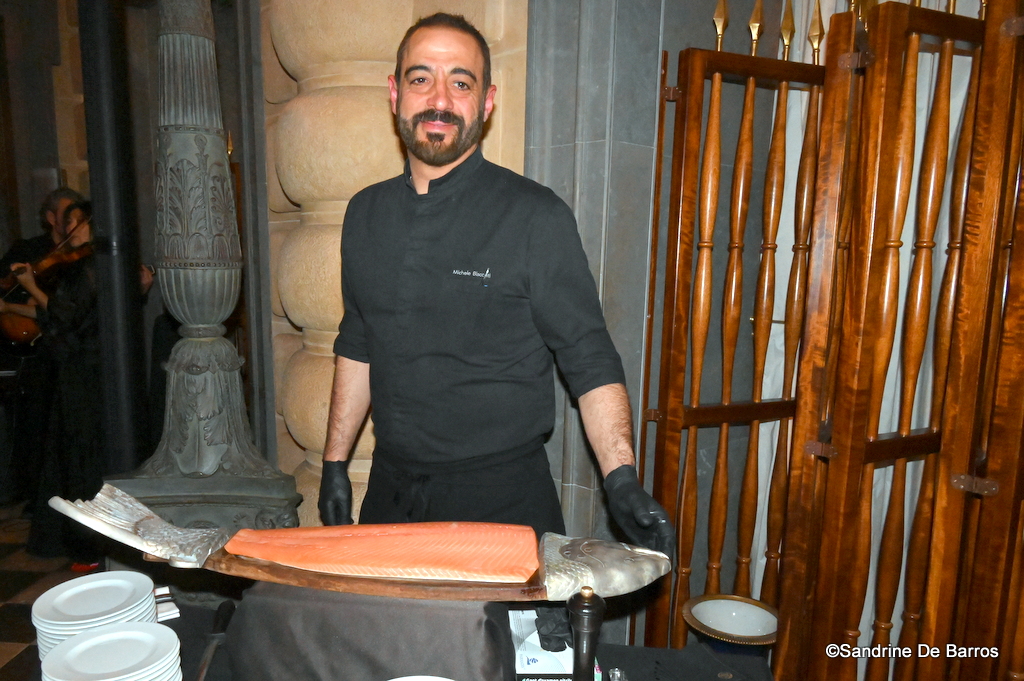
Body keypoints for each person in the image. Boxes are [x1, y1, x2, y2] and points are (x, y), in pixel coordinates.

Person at [318, 13, 674, 557]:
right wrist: (334, 463)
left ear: (486, 102)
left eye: (461, 83)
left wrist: (621, 478)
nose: (439, 99)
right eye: (421, 78)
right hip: (389, 500)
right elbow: (358, 342)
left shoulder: (535, 216)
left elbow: (589, 357)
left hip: (502, 504)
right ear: (395, 94)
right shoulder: (364, 213)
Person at [2, 201, 152, 565]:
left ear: (87, 227)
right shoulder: (107, 264)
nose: (69, 234)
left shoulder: (89, 267)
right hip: (100, 367)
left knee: (81, 453)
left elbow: (62, 316)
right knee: (85, 450)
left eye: (74, 224)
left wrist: (30, 285)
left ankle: (89, 545)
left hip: (84, 371)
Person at [0, 188, 83, 510]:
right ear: (50, 218)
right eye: (67, 216)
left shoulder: (79, 260)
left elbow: (64, 311)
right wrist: (12, 283)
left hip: (63, 347)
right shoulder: (29, 249)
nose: (73, 224)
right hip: (31, 349)